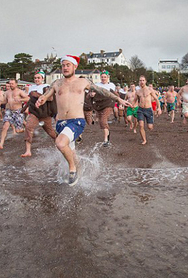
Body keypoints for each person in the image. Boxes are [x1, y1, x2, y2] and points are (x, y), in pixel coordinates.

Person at [36, 55, 131, 185]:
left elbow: (102, 90)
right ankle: (79, 173)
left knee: (60, 143)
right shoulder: (57, 83)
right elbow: (46, 95)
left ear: (75, 66)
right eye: (63, 65)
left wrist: (118, 99)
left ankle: (72, 170)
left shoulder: (83, 82)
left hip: (76, 121)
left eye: (68, 65)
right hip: (61, 123)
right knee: (71, 152)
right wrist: (41, 99)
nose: (65, 68)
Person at [21, 72, 57, 157]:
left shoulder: (46, 87)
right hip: (34, 113)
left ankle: (60, 144)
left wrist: (37, 95)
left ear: (42, 79)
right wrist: (23, 107)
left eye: (38, 78)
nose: (36, 79)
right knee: (28, 127)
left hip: (45, 113)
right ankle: (28, 151)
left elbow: (50, 98)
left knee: (51, 132)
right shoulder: (31, 88)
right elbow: (30, 100)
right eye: (35, 78)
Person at [0, 79, 30, 149]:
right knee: (5, 126)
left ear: (16, 84)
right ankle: (1, 143)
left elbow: (28, 99)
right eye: (10, 84)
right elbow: (5, 101)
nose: (10, 85)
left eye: (12, 84)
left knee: (19, 130)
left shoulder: (20, 91)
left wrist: (20, 100)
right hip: (8, 111)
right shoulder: (7, 92)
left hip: (17, 111)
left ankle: (27, 130)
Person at [92, 71, 121, 146]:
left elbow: (116, 95)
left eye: (105, 77)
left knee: (103, 120)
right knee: (101, 121)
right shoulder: (97, 85)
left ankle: (106, 140)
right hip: (99, 105)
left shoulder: (111, 85)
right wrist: (92, 94)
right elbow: (91, 93)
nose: (103, 78)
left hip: (108, 104)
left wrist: (119, 103)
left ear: (108, 77)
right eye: (102, 77)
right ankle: (107, 133)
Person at [134, 75, 157, 145]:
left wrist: (158, 108)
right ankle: (144, 140)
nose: (142, 82)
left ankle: (151, 124)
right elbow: (134, 100)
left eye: (143, 80)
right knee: (141, 125)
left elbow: (156, 99)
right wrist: (130, 105)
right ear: (139, 82)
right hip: (140, 109)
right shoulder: (137, 91)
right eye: (140, 80)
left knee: (150, 127)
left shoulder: (150, 90)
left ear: (145, 81)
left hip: (148, 109)